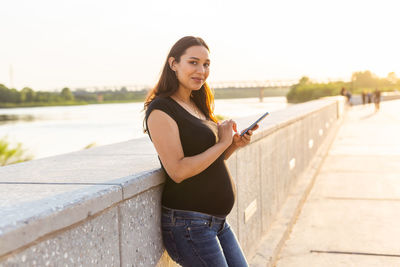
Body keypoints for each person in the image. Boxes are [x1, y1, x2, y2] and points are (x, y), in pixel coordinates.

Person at [143, 36, 258, 266]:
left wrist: (233, 144)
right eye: (193, 62)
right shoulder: (160, 110)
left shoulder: (197, 104)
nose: (201, 71)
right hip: (188, 225)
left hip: (216, 222)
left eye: (206, 65)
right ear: (173, 64)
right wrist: (222, 143)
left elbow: (209, 161)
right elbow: (177, 170)